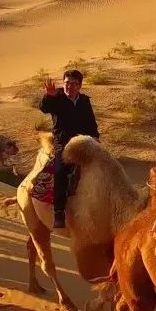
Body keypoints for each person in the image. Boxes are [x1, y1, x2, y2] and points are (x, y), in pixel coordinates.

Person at [38, 68, 99, 228]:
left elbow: (91, 123)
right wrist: (48, 96)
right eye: (66, 83)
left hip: (84, 143)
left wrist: (95, 137)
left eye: (73, 84)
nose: (69, 87)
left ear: (79, 86)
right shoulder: (56, 98)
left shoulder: (84, 101)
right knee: (61, 172)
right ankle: (59, 212)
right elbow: (44, 108)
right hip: (63, 144)